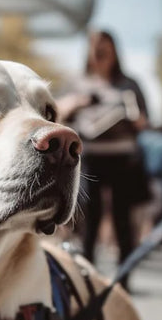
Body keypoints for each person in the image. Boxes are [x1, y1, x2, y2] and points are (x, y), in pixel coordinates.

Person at [57, 30, 150, 292]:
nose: (99, 55)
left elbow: (145, 119)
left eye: (104, 50)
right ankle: (87, 277)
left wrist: (134, 121)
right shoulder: (77, 83)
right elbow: (57, 113)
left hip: (123, 158)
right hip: (91, 156)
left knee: (123, 220)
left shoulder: (130, 84)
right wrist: (79, 103)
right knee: (90, 218)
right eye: (95, 50)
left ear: (114, 52)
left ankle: (125, 278)